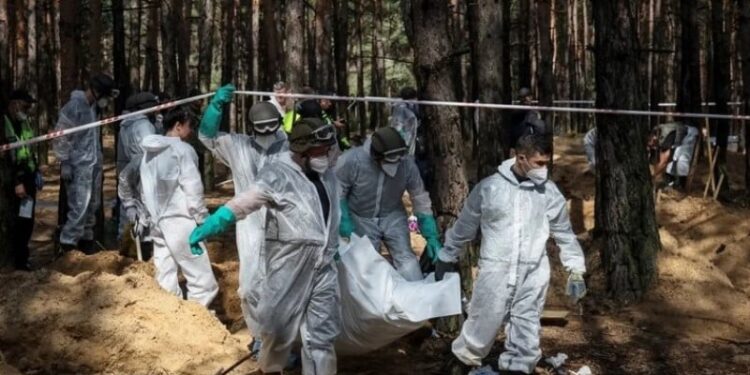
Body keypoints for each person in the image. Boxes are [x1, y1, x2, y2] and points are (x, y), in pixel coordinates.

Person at [189, 117, 341, 375]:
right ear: (302, 150)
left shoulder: (326, 175)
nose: (326, 153)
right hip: (288, 264)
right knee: (276, 327)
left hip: (323, 265)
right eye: (319, 149)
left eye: (328, 148)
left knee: (321, 336)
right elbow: (245, 202)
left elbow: (332, 210)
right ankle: (270, 369)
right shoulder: (279, 174)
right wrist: (212, 224)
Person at [434, 134, 587, 375]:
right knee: (484, 316)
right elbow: (465, 226)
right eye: (539, 163)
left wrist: (575, 267)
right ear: (521, 158)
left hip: (534, 270)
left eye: (547, 163)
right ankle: (463, 360)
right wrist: (447, 254)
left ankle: (519, 367)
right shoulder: (490, 188)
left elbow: (563, 232)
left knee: (527, 322)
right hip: (496, 269)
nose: (544, 170)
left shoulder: (548, 192)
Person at [198, 84, 288, 353]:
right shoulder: (237, 145)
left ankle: (285, 342)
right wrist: (215, 107)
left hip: (284, 224)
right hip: (248, 224)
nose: (267, 134)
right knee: (249, 286)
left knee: (284, 284)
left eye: (271, 127)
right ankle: (260, 337)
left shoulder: (291, 148)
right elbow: (207, 136)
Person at [338, 127, 441, 281]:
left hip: (393, 215)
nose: (393, 165)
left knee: (407, 261)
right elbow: (338, 192)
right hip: (361, 218)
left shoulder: (406, 164)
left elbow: (419, 196)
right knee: (366, 265)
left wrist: (430, 233)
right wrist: (343, 219)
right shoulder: (352, 161)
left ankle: (414, 297)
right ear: (376, 156)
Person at [139, 106, 218, 307]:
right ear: (178, 126)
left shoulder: (148, 153)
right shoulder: (183, 150)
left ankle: (170, 322)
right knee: (203, 281)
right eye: (190, 127)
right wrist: (204, 220)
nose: (191, 132)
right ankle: (198, 324)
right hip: (182, 222)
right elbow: (193, 190)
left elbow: (144, 189)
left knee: (165, 278)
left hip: (158, 223)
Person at [54, 73, 118, 254]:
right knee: (78, 208)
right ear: (96, 91)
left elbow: (92, 140)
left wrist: (98, 164)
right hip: (77, 166)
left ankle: (86, 247)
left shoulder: (93, 109)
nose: (105, 101)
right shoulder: (74, 107)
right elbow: (61, 137)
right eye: (105, 96)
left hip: (92, 165)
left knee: (92, 207)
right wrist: (65, 161)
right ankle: (66, 248)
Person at [3, 90, 42, 270]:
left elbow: (29, 149)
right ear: (14, 103)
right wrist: (17, 182)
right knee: (16, 223)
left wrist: (37, 171)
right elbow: (7, 158)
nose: (27, 110)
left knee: (27, 221)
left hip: (29, 177)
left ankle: (23, 259)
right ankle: (16, 261)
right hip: (13, 181)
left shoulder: (24, 122)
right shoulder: (4, 122)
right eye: (25, 106)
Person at [117, 92, 159, 241]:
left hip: (132, 169)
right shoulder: (144, 125)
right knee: (147, 207)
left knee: (133, 210)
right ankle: (144, 245)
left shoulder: (125, 125)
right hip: (144, 169)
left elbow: (122, 158)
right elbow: (152, 149)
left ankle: (129, 243)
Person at [648, 122, 699, 190]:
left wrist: (653, 175)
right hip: (676, 137)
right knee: (671, 163)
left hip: (687, 135)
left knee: (682, 160)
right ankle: (670, 183)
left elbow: (664, 160)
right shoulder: (655, 133)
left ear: (654, 138)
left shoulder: (667, 136)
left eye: (650, 142)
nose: (651, 145)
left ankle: (681, 184)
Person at [508, 87, 545, 152]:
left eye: (528, 96)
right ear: (520, 98)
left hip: (529, 145)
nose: (526, 99)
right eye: (523, 97)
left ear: (531, 97)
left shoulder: (533, 112)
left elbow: (540, 128)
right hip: (518, 145)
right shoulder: (517, 112)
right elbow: (512, 131)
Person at [389, 87, 420, 156]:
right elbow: (398, 125)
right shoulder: (402, 109)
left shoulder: (406, 106)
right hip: (404, 137)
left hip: (406, 135)